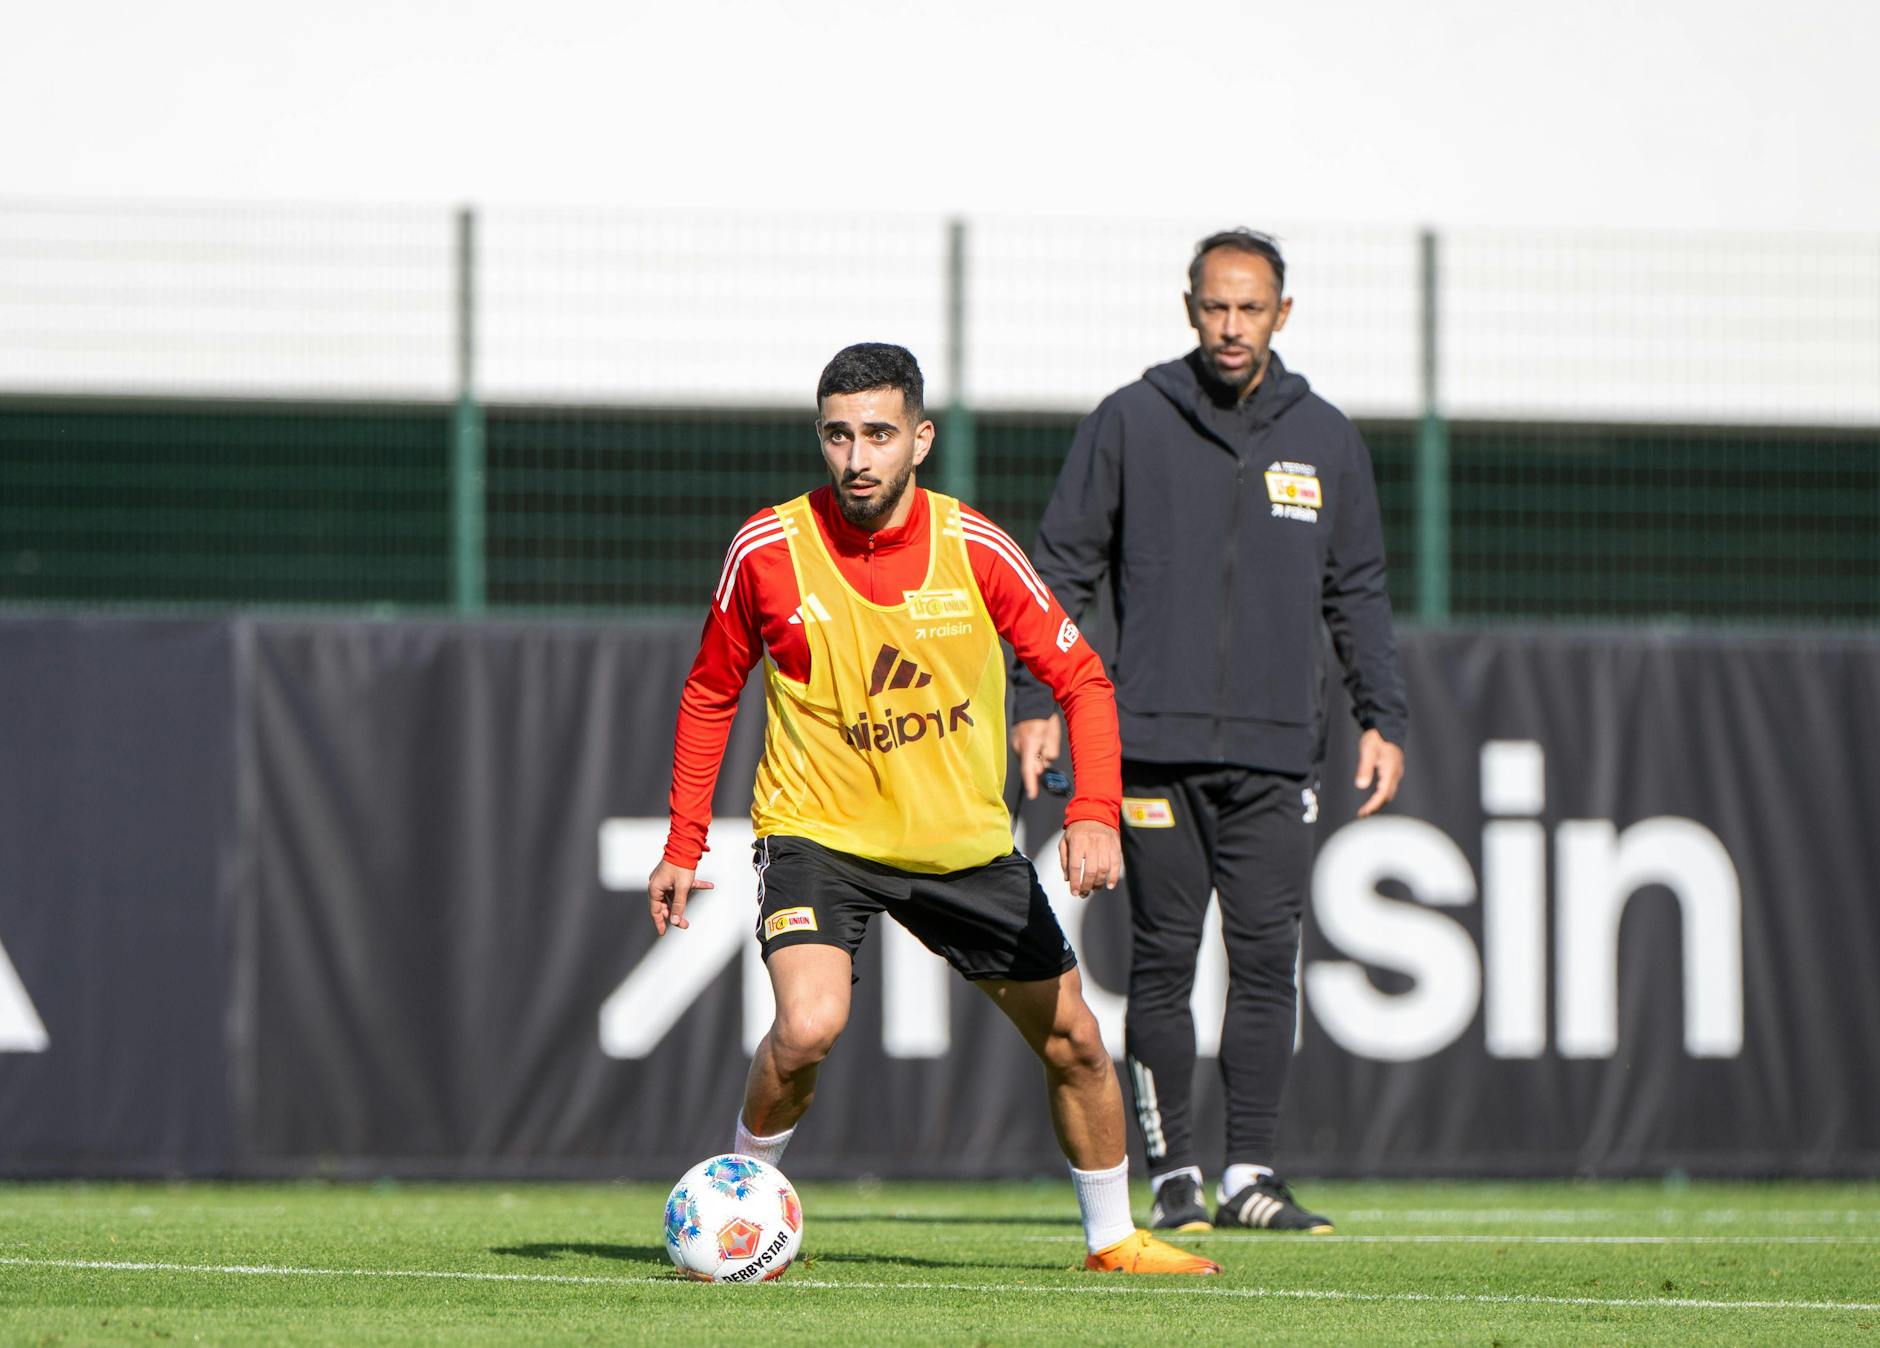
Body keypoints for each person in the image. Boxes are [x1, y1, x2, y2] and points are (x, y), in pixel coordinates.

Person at [647, 342, 1220, 1276]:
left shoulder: (974, 548)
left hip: (962, 850)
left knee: (1075, 1038)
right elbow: (711, 690)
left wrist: (1095, 810)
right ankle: (734, 1215)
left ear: (921, 440)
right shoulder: (767, 549)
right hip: (818, 836)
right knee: (808, 1026)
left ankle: (1113, 1241)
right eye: (838, 436)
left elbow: (1081, 677)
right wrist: (683, 843)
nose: (857, 457)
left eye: (878, 434)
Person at [1009, 229, 1408, 1235]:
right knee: (1160, 961)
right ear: (1188, 308)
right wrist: (1035, 697)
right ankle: (1173, 1177)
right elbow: (1059, 570)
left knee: (1268, 960)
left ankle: (1251, 1178)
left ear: (1282, 313)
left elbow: (1356, 590)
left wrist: (1379, 715)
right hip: (1149, 744)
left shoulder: (1324, 437)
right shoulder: (1131, 421)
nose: (1230, 326)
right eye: (1214, 307)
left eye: (1250, 307)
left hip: (1277, 753)